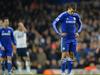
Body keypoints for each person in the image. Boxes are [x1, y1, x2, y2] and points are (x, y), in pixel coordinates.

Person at [52, 3, 82, 75]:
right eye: (72, 11)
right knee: (64, 54)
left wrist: (78, 32)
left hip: (73, 38)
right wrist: (59, 33)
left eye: (74, 11)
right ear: (69, 8)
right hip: (65, 38)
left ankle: (69, 72)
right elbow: (54, 23)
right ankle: (62, 72)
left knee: (71, 55)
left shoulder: (76, 16)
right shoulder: (63, 15)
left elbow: (80, 24)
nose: (73, 13)